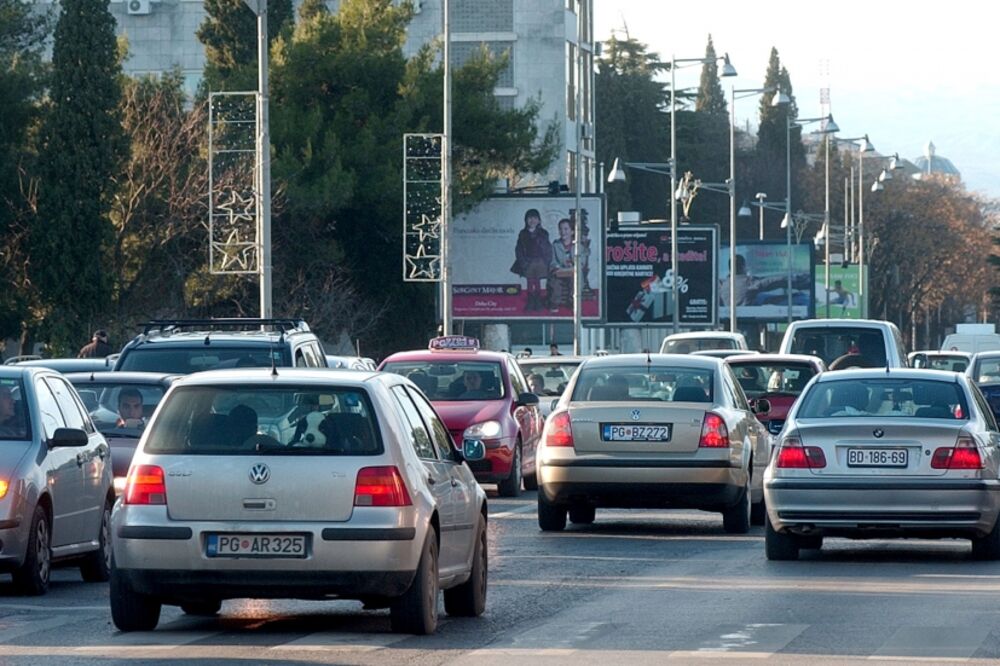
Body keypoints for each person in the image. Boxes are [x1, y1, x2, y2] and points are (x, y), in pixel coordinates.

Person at [510, 208, 552, 312]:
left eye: (535, 218)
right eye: (529, 218)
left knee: (537, 281)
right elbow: (519, 249)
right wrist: (523, 262)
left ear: (539, 220)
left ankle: (538, 300)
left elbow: (547, 248)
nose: (532, 220)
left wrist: (547, 261)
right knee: (530, 281)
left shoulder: (543, 233)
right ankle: (530, 300)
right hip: (527, 261)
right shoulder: (522, 233)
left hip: (540, 261)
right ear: (526, 220)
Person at [547, 218, 575, 312]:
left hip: (573, 271)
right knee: (555, 282)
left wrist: (572, 268)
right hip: (559, 271)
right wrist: (558, 268)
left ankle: (572, 302)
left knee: (575, 281)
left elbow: (581, 262)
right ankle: (554, 303)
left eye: (566, 229)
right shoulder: (555, 245)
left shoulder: (577, 245)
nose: (563, 232)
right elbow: (552, 261)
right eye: (561, 229)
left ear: (572, 231)